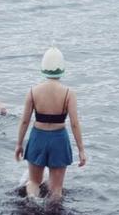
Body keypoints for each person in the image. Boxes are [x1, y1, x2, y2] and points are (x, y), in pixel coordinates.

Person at [14, 47, 86, 203]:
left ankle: (32, 205)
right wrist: (81, 150)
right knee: (56, 188)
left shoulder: (33, 91)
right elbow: (74, 123)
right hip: (59, 139)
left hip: (38, 138)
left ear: (43, 68)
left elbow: (25, 121)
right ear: (62, 69)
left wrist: (19, 144)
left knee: (33, 182)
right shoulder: (68, 93)